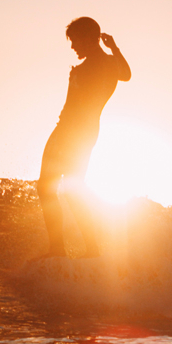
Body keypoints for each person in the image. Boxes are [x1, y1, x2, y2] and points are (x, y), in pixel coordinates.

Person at [38, 17, 131, 258]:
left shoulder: (103, 65)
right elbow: (125, 74)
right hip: (74, 131)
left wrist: (114, 49)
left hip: (75, 132)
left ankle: (74, 249)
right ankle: (79, 249)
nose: (73, 47)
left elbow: (126, 74)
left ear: (89, 38)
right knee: (59, 189)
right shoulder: (94, 66)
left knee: (59, 188)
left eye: (76, 41)